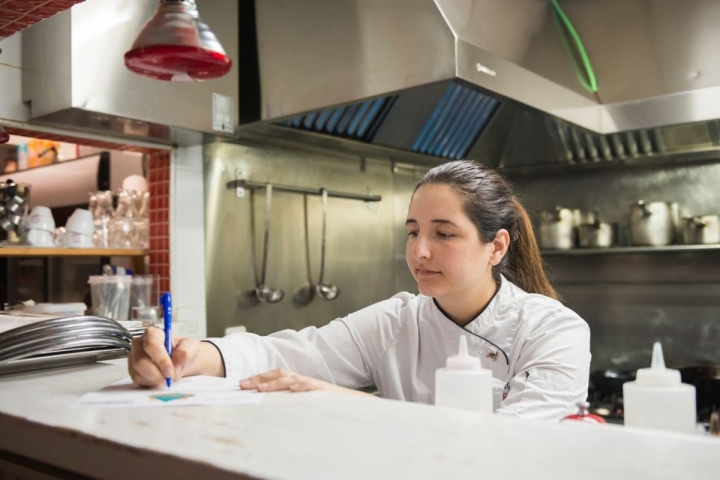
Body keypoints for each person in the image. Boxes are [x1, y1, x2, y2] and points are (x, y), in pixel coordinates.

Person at [129, 160, 590, 421]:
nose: (420, 252)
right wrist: (183, 356)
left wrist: (340, 397)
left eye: (443, 234)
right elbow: (285, 355)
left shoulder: (552, 329)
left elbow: (515, 442)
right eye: (413, 232)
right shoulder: (398, 319)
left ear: (497, 246)